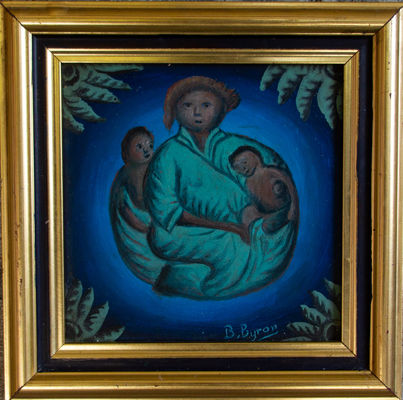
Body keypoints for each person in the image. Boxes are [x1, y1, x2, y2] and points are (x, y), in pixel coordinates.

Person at [143, 76, 299, 299]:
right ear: (174, 110)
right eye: (187, 105)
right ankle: (182, 281)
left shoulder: (237, 146)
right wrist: (231, 227)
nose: (197, 112)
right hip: (178, 231)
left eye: (206, 105)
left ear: (221, 109)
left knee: (259, 246)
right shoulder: (168, 155)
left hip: (247, 224)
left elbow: (274, 175)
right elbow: (167, 213)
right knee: (235, 248)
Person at [109, 127, 166, 285]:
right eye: (139, 147)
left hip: (157, 216)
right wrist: (143, 227)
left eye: (149, 145)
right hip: (140, 227)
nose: (146, 150)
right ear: (127, 152)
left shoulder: (157, 166)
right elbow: (124, 209)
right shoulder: (126, 175)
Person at [229, 146, 299, 233]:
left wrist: (293, 207)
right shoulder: (248, 184)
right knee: (247, 213)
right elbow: (256, 203)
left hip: (283, 210)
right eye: (237, 168)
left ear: (256, 157)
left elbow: (291, 187)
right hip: (267, 214)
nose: (243, 168)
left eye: (245, 162)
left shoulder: (271, 172)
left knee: (267, 226)